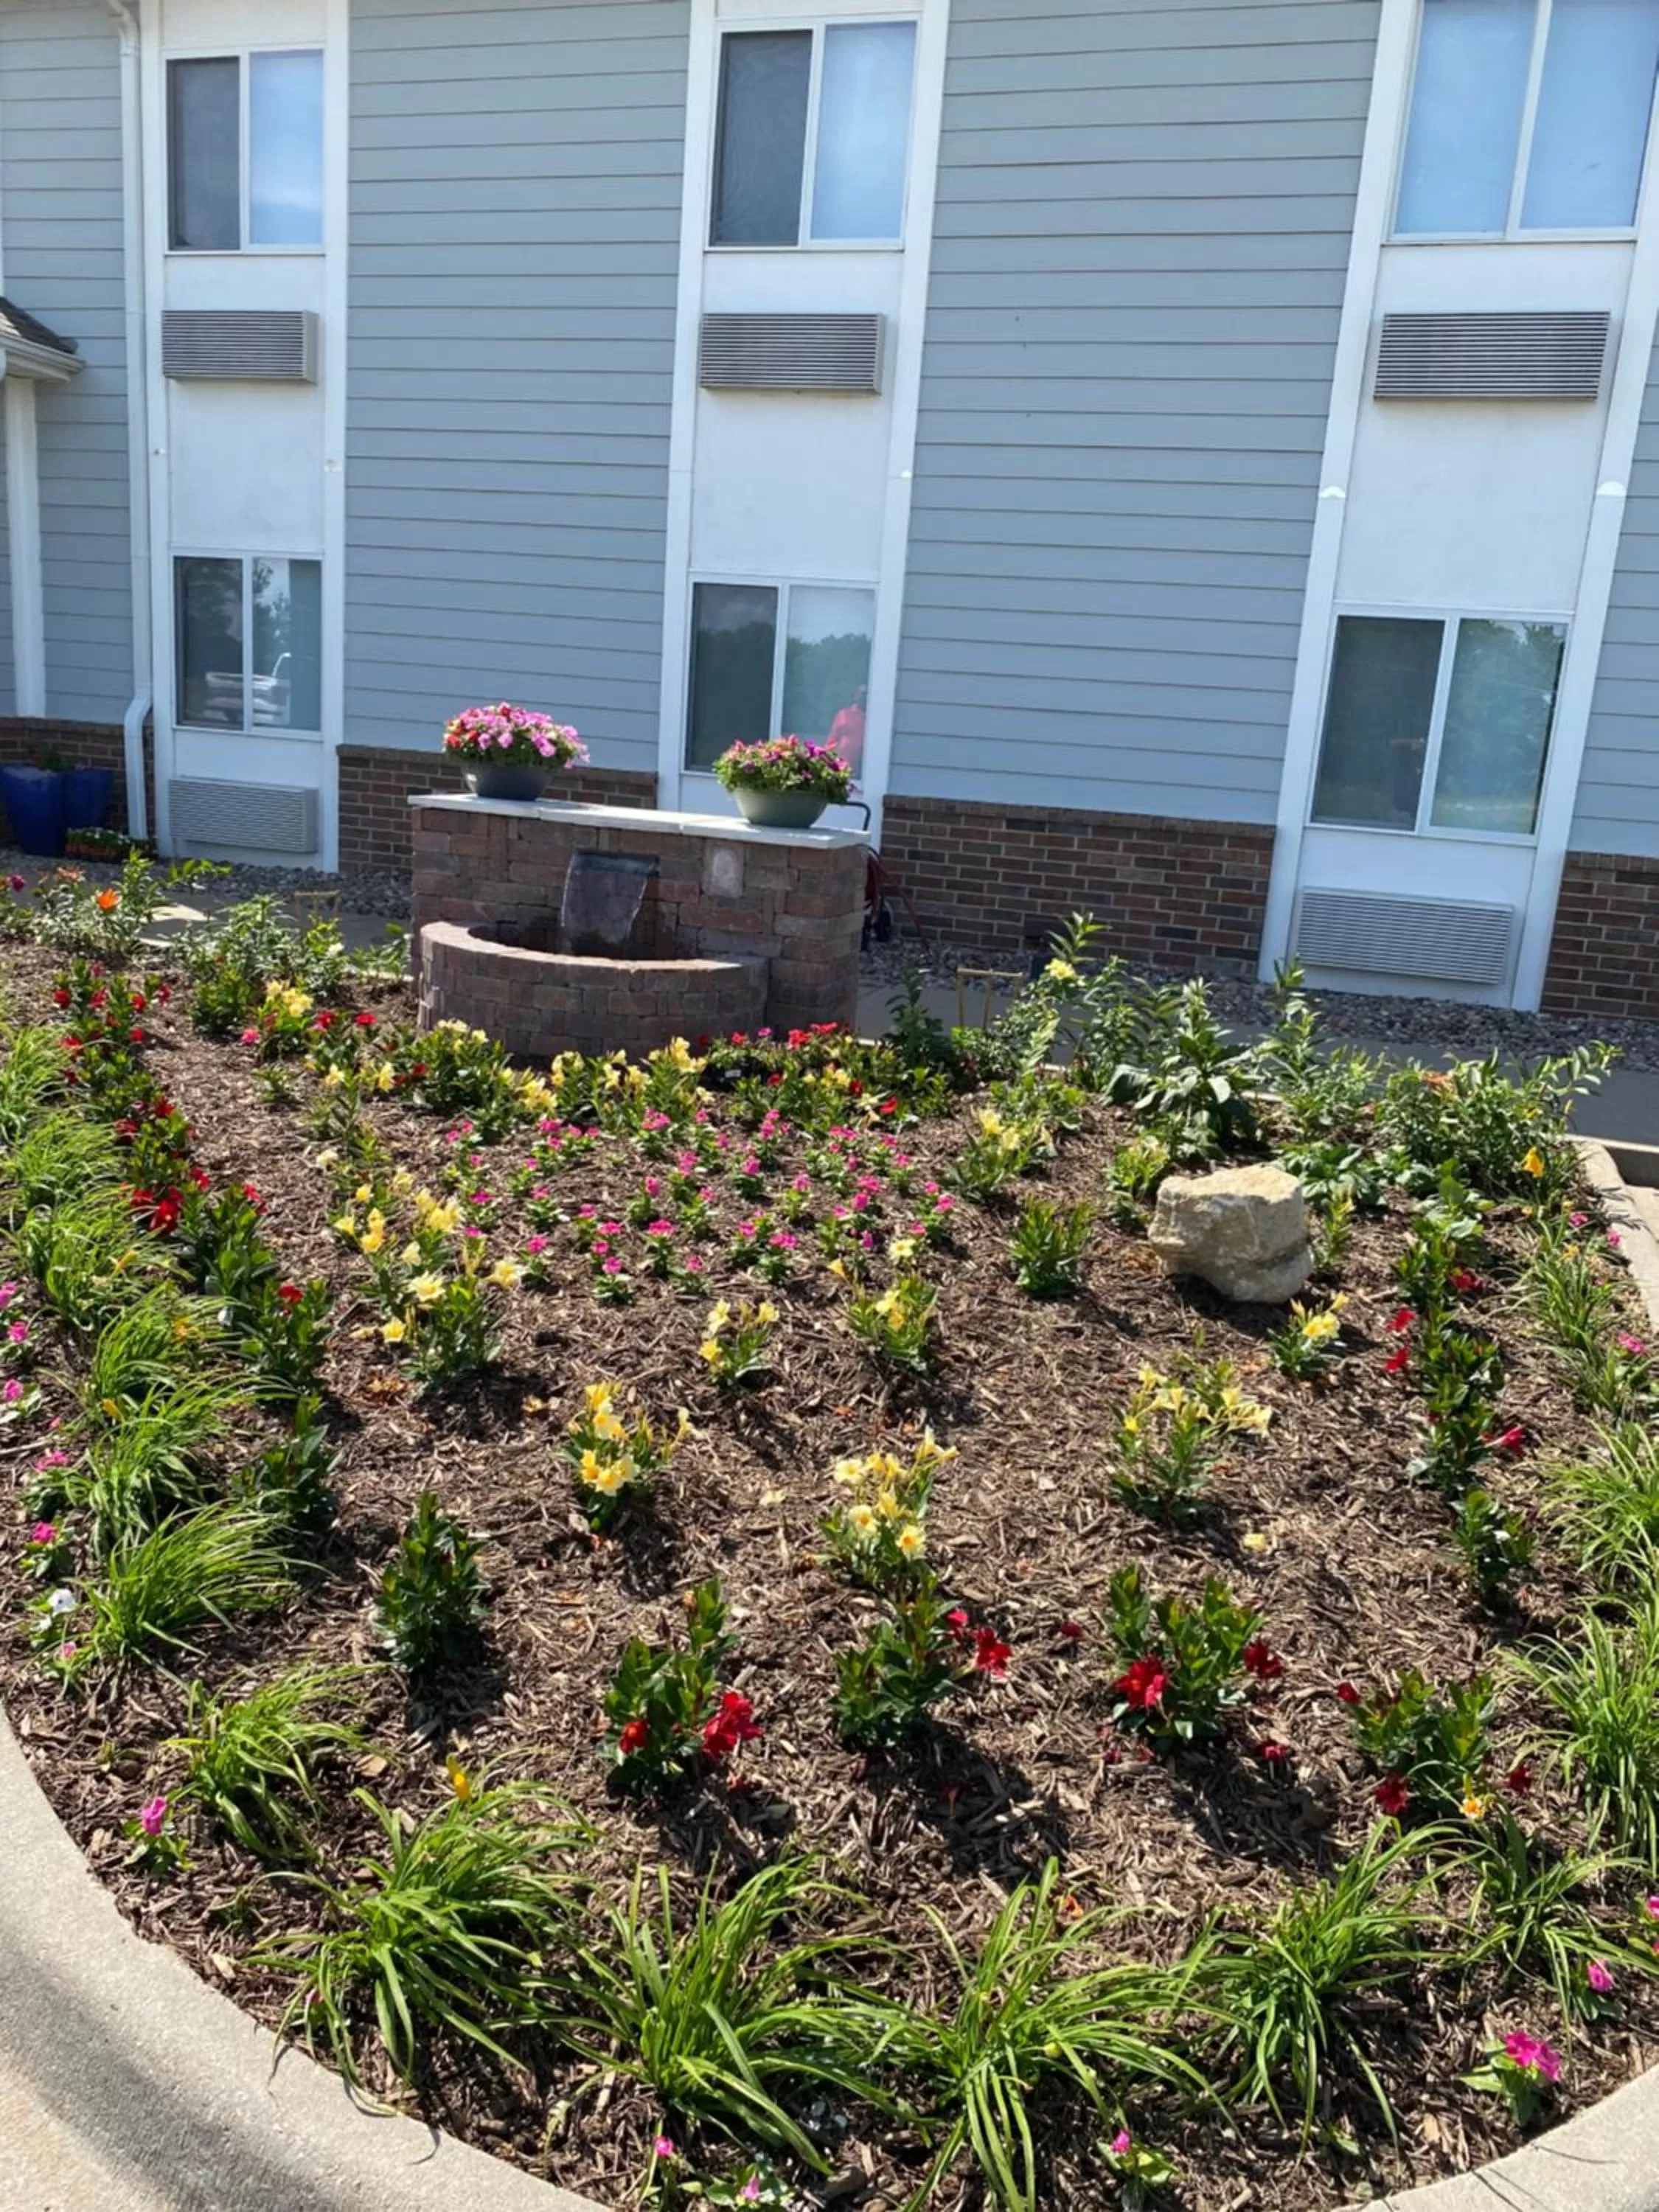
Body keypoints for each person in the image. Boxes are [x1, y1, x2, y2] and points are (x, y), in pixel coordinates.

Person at [827, 686, 866, 783]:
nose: (863, 696)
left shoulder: (873, 717)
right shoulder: (844, 714)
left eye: (866, 694)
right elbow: (831, 741)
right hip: (841, 768)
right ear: (855, 696)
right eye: (860, 693)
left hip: (863, 772)